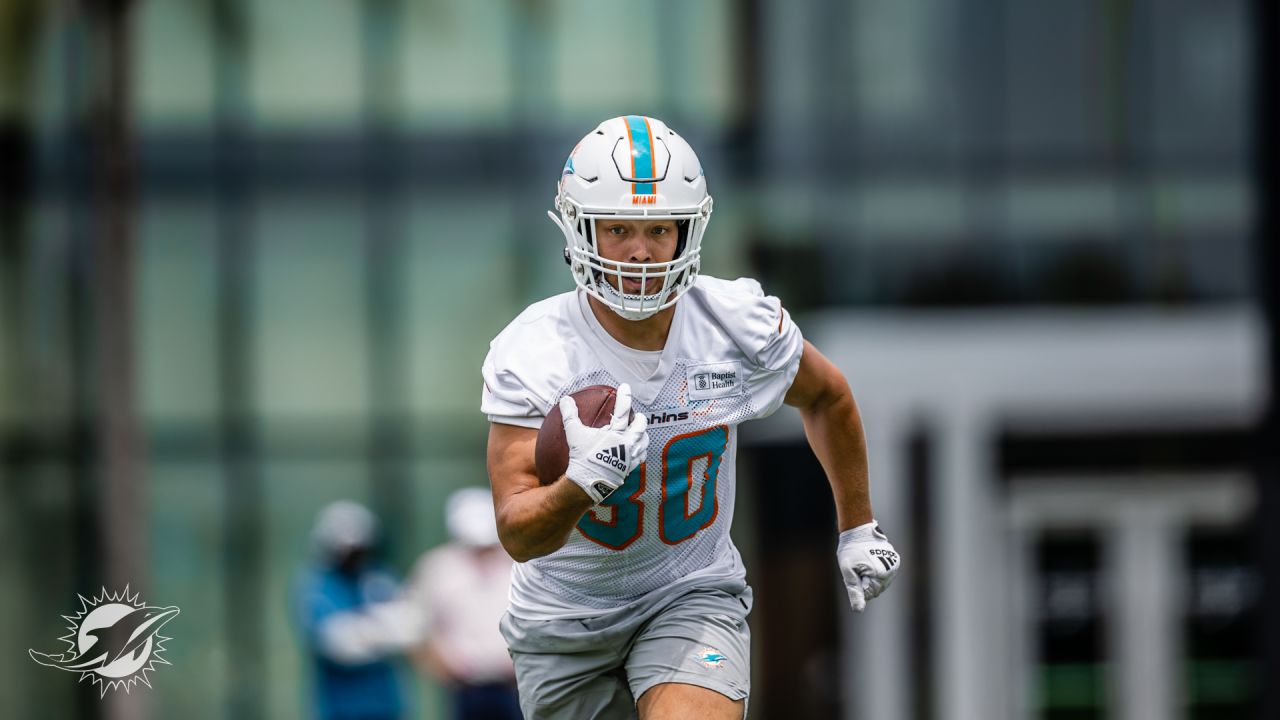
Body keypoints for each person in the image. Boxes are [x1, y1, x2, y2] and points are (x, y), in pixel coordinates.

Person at [481, 115, 902, 719]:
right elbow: (518, 532)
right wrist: (578, 488)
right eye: (617, 228)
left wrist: (858, 525)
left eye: (659, 228)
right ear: (580, 230)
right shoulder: (536, 352)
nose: (640, 250)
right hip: (565, 618)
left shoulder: (734, 321)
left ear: (688, 230)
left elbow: (827, 395)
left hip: (690, 593)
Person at [295, 500, 418, 720]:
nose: (355, 556)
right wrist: (382, 629)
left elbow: (410, 630)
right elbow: (339, 645)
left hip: (387, 704)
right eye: (347, 550)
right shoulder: (316, 586)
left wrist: (363, 630)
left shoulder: (380, 577)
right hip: (338, 708)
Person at [405, 488, 521, 720]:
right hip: (464, 688)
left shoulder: (517, 564)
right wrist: (442, 668)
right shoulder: (438, 567)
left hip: (516, 683)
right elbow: (417, 625)